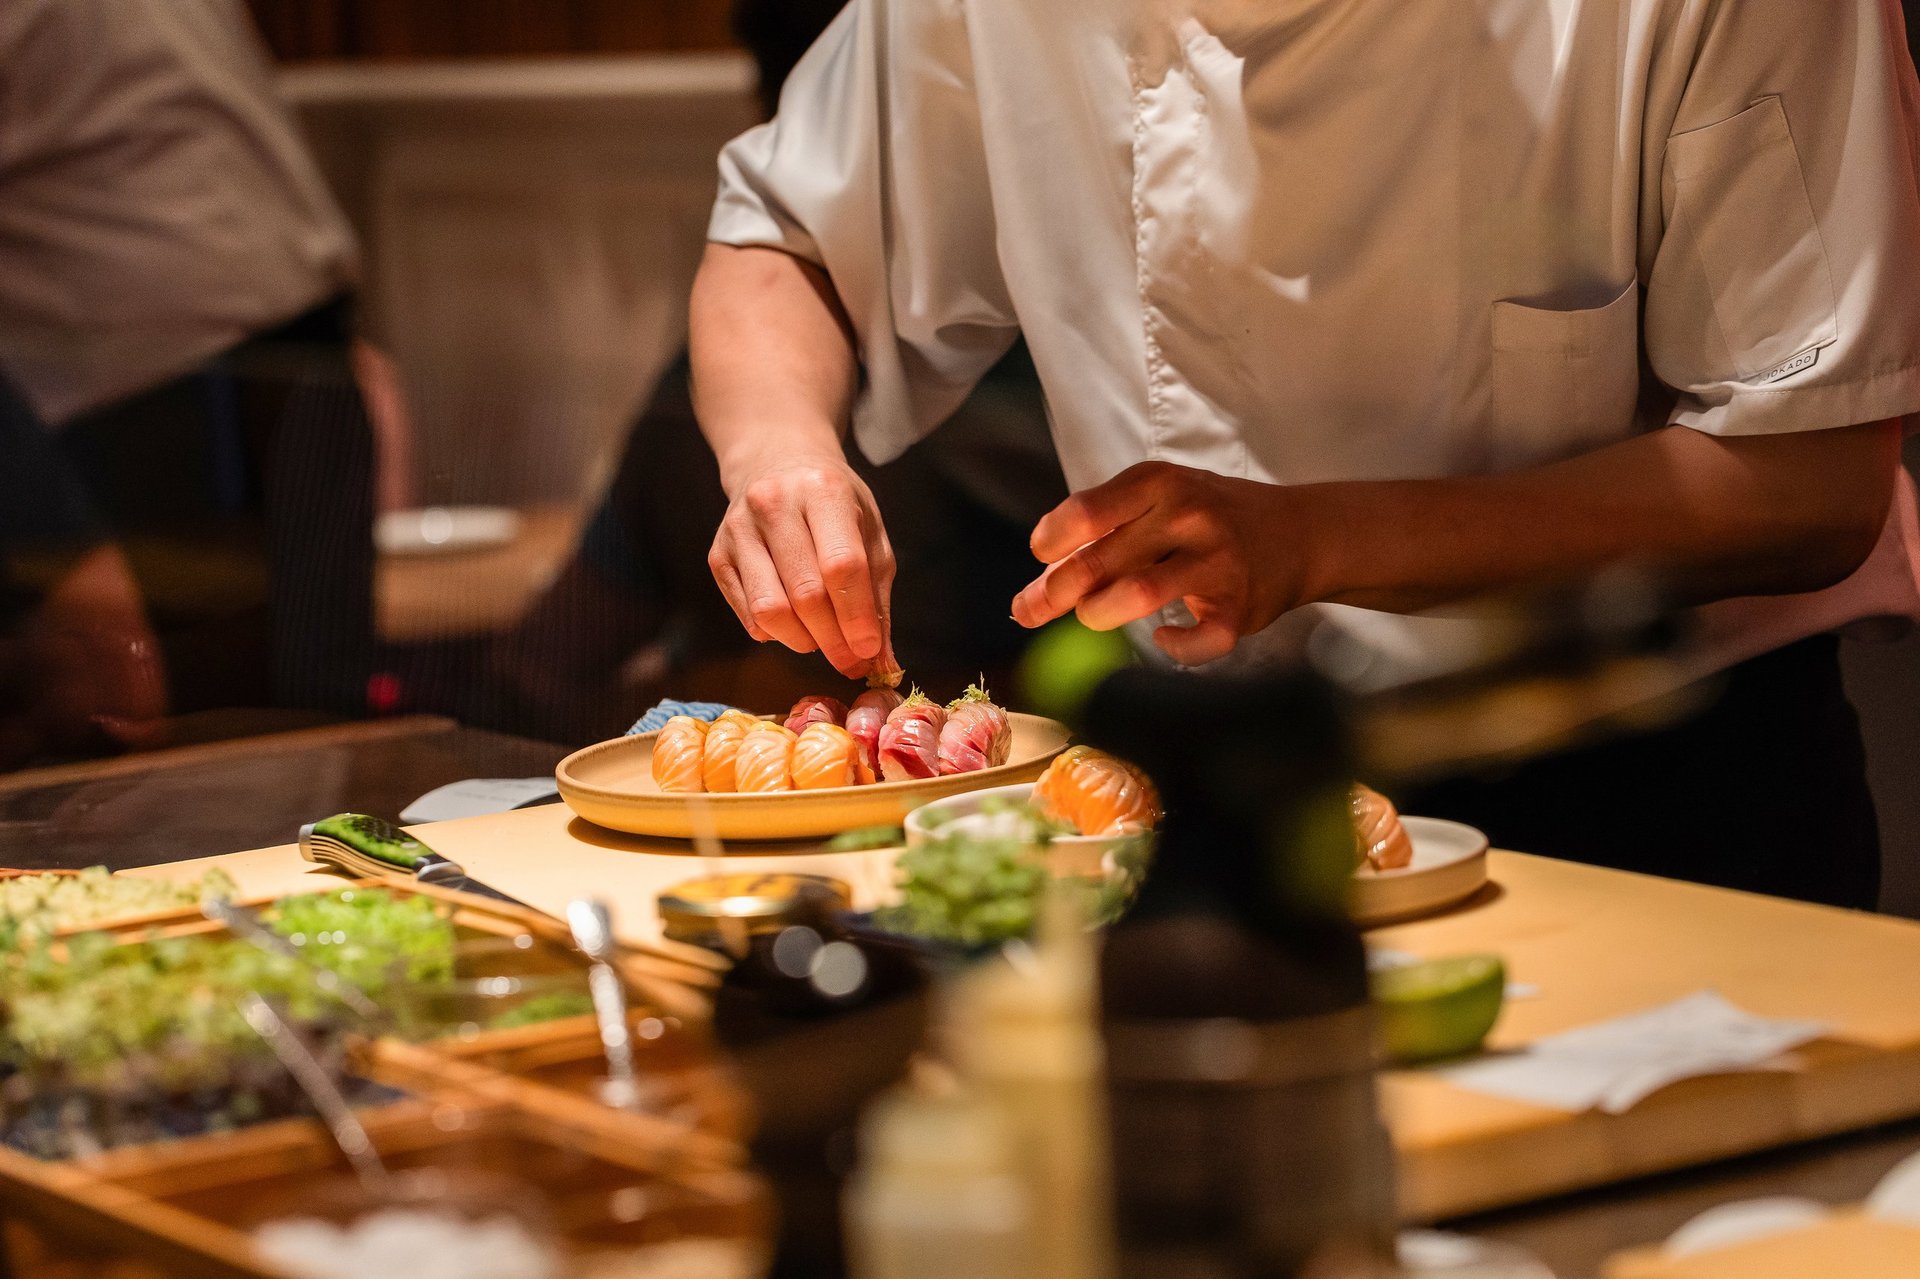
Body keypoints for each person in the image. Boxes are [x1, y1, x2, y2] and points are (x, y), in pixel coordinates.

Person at [689, 0, 1920, 908]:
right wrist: (779, 453)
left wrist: (1312, 540)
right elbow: (790, 239)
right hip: (1192, 789)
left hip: (1648, 793)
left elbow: (1806, 483)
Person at [0, 0, 398, 763]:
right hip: (257, 343)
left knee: (226, 767)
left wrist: (52, 530)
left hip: (151, 381)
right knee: (289, 757)